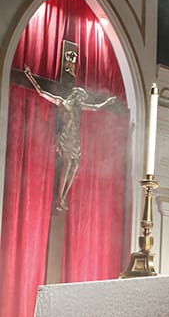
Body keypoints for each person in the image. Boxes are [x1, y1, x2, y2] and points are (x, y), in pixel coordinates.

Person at [23, 64, 117, 211]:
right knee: (67, 164)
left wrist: (107, 102)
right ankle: (59, 197)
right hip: (65, 138)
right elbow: (42, 93)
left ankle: (64, 196)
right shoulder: (63, 103)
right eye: (81, 97)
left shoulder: (79, 108)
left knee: (75, 166)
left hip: (75, 140)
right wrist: (30, 76)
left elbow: (95, 107)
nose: (82, 100)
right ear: (75, 96)